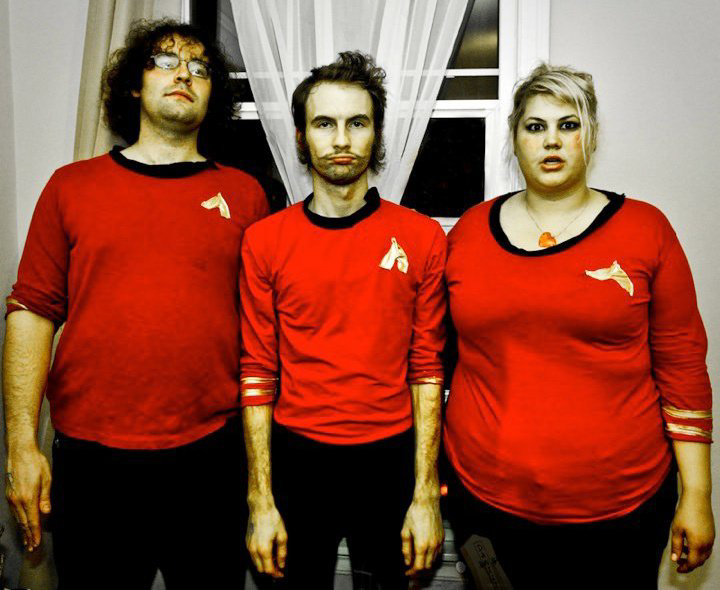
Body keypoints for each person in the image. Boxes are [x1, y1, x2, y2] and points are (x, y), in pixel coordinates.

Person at [3, 19, 268, 590]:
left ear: (213, 94)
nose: (184, 75)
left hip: (210, 457)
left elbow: (264, 336)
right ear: (133, 84)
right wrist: (21, 444)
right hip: (94, 460)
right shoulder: (71, 186)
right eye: (165, 62)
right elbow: (31, 314)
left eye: (200, 69)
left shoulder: (246, 195)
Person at [443, 63, 714, 589]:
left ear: (590, 136)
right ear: (515, 139)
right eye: (535, 126)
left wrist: (697, 495)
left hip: (621, 512)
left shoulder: (646, 229)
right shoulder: (469, 233)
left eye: (568, 125)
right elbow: (436, 355)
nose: (552, 141)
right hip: (486, 504)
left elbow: (683, 367)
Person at [239, 51, 447, 588]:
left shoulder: (422, 237)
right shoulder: (265, 241)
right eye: (324, 123)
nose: (341, 139)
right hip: (297, 460)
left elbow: (427, 369)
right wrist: (260, 499)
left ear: (376, 135)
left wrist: (426, 493)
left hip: (390, 461)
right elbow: (257, 372)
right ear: (302, 136)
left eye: (357, 123)